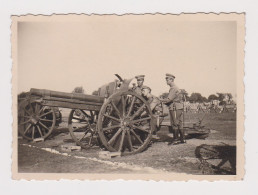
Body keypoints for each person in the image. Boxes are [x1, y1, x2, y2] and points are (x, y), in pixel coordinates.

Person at [161, 73, 186, 144]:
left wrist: (160, 100)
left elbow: (169, 99)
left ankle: (175, 140)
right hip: (179, 107)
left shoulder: (173, 88)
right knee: (179, 123)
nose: (166, 81)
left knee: (174, 123)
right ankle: (182, 139)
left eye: (167, 80)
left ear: (171, 80)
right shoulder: (175, 88)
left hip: (174, 107)